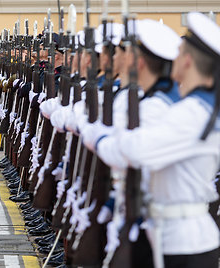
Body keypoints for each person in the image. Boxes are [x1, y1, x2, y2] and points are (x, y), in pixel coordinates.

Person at [79, 12, 220, 268]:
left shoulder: (193, 113)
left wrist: (99, 139)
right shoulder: (198, 108)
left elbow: (136, 150)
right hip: (172, 235)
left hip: (181, 242)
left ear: (187, 61)